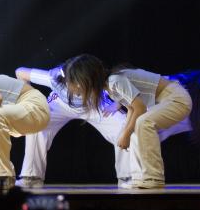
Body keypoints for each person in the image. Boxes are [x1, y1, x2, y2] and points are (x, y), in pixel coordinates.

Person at [60, 55, 192, 189]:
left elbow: (140, 108)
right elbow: (131, 109)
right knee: (134, 128)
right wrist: (126, 132)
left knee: (143, 123)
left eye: (77, 82)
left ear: (88, 79)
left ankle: (153, 177)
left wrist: (126, 135)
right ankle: (138, 178)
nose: (77, 86)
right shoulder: (110, 88)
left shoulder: (115, 81)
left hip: (176, 98)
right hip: (165, 100)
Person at [14, 62, 132, 188]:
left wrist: (117, 104)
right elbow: (20, 72)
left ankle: (127, 177)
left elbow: (121, 88)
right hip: (61, 105)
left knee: (123, 125)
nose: (78, 88)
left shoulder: (98, 76)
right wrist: (30, 103)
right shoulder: (53, 77)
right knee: (36, 124)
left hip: (95, 105)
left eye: (83, 85)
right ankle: (32, 178)